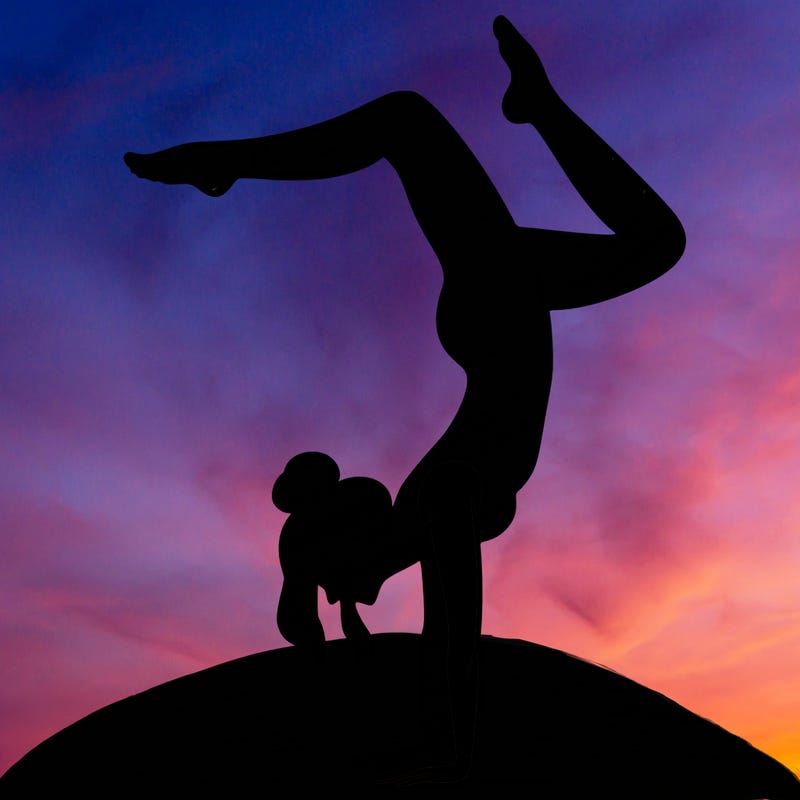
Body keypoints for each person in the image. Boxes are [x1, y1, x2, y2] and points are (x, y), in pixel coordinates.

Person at [125, 15, 685, 782]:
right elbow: (451, 640)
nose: (357, 569)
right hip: (504, 289)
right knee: (647, 240)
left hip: (498, 288)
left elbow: (438, 634)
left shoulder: (435, 495)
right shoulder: (446, 499)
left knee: (410, 124)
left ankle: (229, 161)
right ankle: (537, 107)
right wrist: (454, 753)